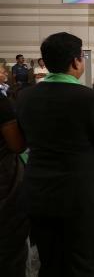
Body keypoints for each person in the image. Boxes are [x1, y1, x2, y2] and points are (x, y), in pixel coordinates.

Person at [16, 32, 94, 276]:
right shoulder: (91, 99)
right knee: (81, 265)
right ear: (76, 61)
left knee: (49, 264)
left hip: (38, 195)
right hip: (80, 199)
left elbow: (21, 141)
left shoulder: (25, 96)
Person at [0, 66, 29, 277]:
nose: (3, 71)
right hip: (4, 181)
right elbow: (17, 144)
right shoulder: (2, 104)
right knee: (10, 247)